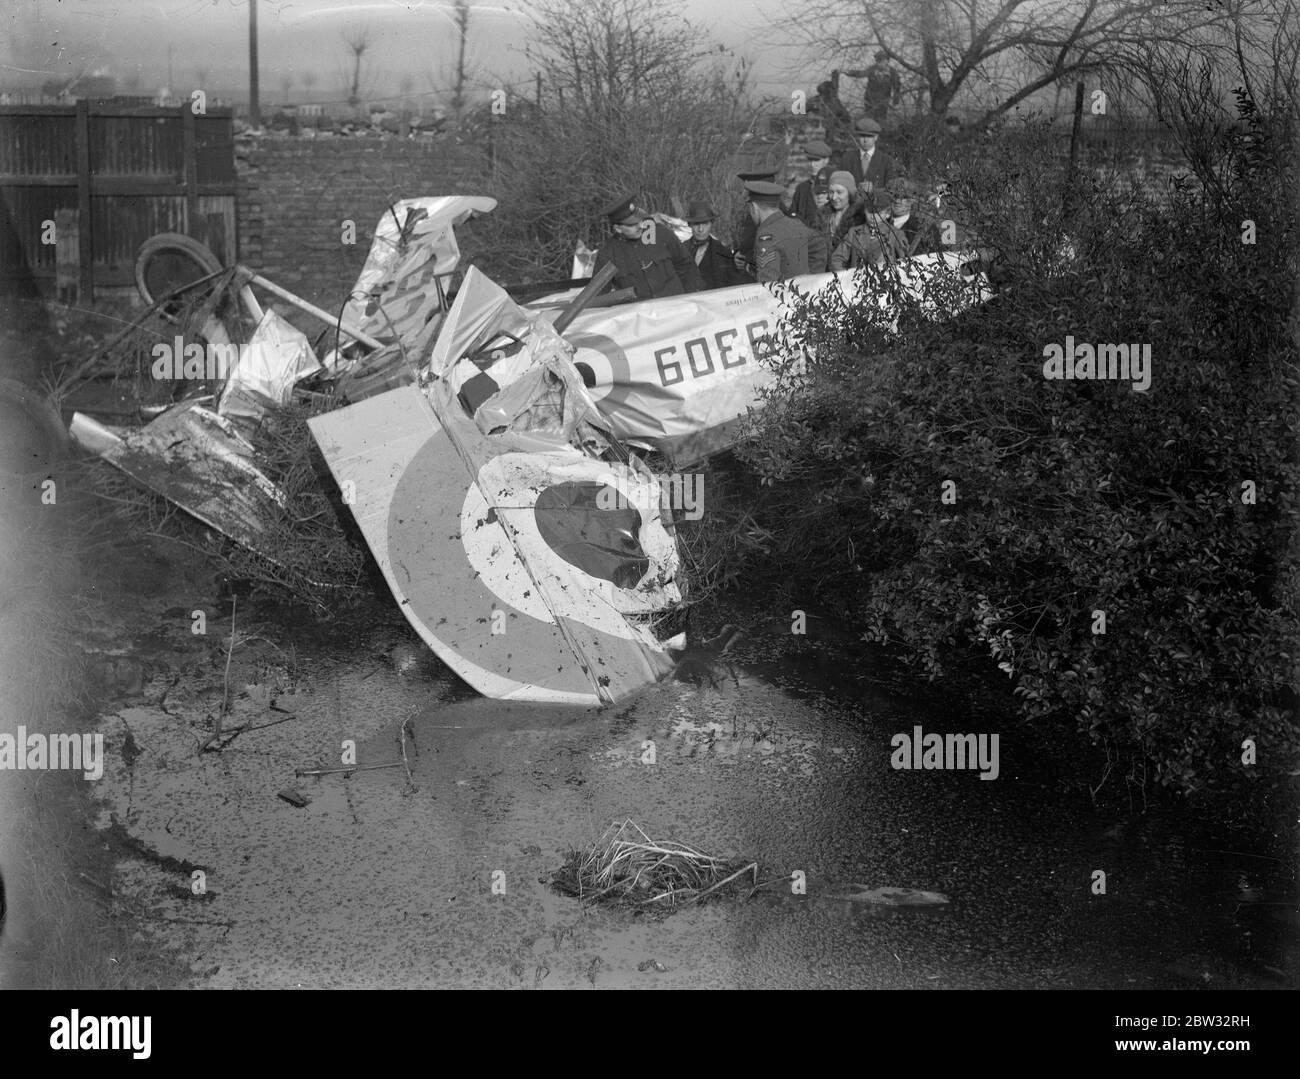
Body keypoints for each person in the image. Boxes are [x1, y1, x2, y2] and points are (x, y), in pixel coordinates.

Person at [594, 193, 703, 301]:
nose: (640, 226)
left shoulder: (661, 234)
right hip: (641, 316)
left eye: (639, 220)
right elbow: (599, 297)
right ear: (618, 228)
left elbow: (687, 267)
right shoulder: (607, 255)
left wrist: (692, 301)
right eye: (632, 224)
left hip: (677, 309)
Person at [747, 180, 815, 283]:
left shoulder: (766, 236)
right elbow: (820, 246)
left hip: (782, 297)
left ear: (754, 207)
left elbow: (767, 282)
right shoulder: (797, 224)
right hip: (803, 293)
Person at [833, 116, 903, 208]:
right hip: (851, 211)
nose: (865, 140)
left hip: (877, 212)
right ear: (858, 137)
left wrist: (874, 191)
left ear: (876, 137)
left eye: (869, 136)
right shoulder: (847, 158)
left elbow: (892, 192)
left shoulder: (886, 161)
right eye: (862, 136)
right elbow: (837, 186)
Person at [683, 202, 748, 290]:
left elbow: (733, 284)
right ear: (689, 224)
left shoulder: (723, 252)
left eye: (705, 224)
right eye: (696, 224)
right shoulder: (681, 250)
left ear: (711, 224)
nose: (701, 229)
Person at [841, 50, 903, 122]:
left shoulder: (892, 72)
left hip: (883, 103)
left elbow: (897, 88)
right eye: (878, 61)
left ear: (887, 61)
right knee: (868, 122)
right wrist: (847, 72)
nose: (880, 63)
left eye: (882, 60)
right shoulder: (872, 69)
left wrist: (895, 103)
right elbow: (861, 73)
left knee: (881, 122)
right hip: (869, 101)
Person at [819, 170, 867, 257]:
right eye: (831, 192)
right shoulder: (821, 215)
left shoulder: (860, 217)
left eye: (839, 192)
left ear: (850, 193)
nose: (834, 197)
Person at [788, 139, 833, 230]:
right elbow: (792, 218)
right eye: (810, 160)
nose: (812, 164)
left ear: (826, 160)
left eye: (816, 160)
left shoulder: (836, 187)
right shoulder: (802, 189)